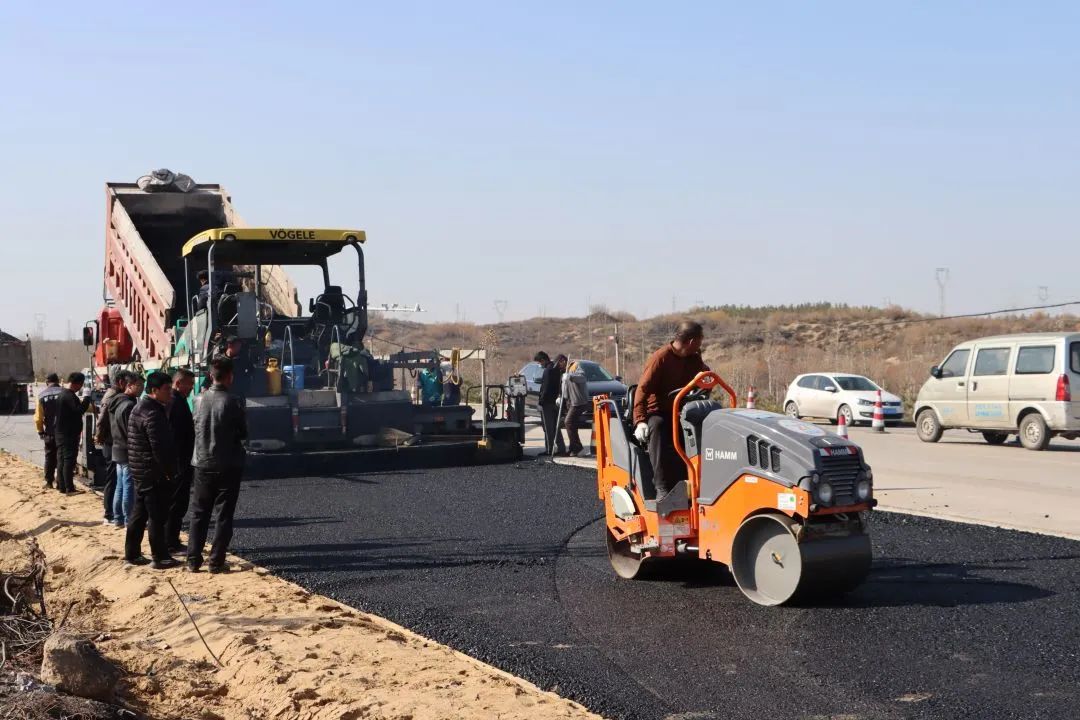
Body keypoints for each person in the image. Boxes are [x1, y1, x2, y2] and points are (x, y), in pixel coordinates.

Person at [632, 321, 709, 501]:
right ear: (691, 341)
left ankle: (698, 482)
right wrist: (640, 420)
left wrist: (706, 380)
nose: (701, 344)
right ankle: (662, 487)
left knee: (703, 425)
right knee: (658, 426)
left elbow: (705, 375)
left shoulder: (694, 358)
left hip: (682, 410)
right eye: (700, 340)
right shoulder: (660, 358)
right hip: (659, 411)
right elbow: (642, 389)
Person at [187, 358, 247, 573]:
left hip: (201, 463)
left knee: (199, 513)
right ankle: (216, 561)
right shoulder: (233, 401)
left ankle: (193, 560)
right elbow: (243, 432)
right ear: (230, 376)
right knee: (223, 515)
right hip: (227, 464)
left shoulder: (197, 399)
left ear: (211, 375)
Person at [124, 371, 178, 569]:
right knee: (157, 516)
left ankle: (132, 553)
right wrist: (169, 472)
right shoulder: (153, 413)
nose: (170, 393)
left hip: (141, 470)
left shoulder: (140, 407)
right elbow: (159, 448)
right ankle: (160, 556)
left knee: (139, 514)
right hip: (152, 472)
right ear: (155, 390)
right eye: (167, 389)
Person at [165, 369, 196, 553]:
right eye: (189, 384)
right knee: (176, 503)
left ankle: (171, 539)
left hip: (179, 460)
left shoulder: (177, 401)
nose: (192, 387)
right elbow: (175, 434)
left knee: (177, 503)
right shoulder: (175, 403)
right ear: (178, 383)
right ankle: (170, 542)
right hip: (178, 461)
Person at [93, 369, 128, 524]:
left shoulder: (114, 395)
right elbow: (101, 420)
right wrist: (99, 436)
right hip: (110, 442)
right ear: (120, 382)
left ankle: (114, 512)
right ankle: (109, 513)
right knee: (112, 479)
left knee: (115, 478)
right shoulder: (112, 396)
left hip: (111, 441)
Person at [109, 372, 143, 528]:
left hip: (117, 447)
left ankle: (118, 518)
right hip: (127, 449)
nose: (141, 388)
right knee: (128, 485)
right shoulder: (129, 405)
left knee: (120, 485)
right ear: (129, 386)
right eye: (139, 385)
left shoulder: (116, 402)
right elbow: (131, 431)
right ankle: (129, 519)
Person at [54, 372, 93, 494]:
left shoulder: (62, 394)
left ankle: (61, 485)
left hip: (60, 432)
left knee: (61, 460)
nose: (80, 388)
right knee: (69, 461)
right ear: (77, 384)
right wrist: (87, 398)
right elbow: (79, 410)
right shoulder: (69, 396)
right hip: (68, 434)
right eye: (80, 385)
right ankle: (69, 488)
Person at [33, 373, 63, 488]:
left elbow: (38, 418)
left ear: (46, 382)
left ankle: (49, 482)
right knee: (61, 458)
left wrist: (40, 431)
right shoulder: (65, 393)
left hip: (50, 432)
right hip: (63, 433)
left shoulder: (41, 396)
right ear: (58, 381)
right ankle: (60, 483)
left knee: (49, 457)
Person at [536, 352, 567, 456]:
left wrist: (541, 402)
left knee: (548, 428)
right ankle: (561, 448)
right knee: (556, 427)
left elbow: (545, 388)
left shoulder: (548, 371)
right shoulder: (557, 370)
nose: (540, 364)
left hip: (547, 403)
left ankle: (549, 450)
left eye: (539, 362)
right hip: (556, 402)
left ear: (543, 360)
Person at [562, 361, 591, 456]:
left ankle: (577, 447)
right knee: (572, 425)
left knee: (568, 422)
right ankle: (573, 448)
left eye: (560, 363)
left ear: (563, 361)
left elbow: (582, 378)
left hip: (578, 401)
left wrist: (570, 376)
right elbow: (565, 386)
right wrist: (562, 397)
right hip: (570, 401)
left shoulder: (575, 366)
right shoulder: (565, 370)